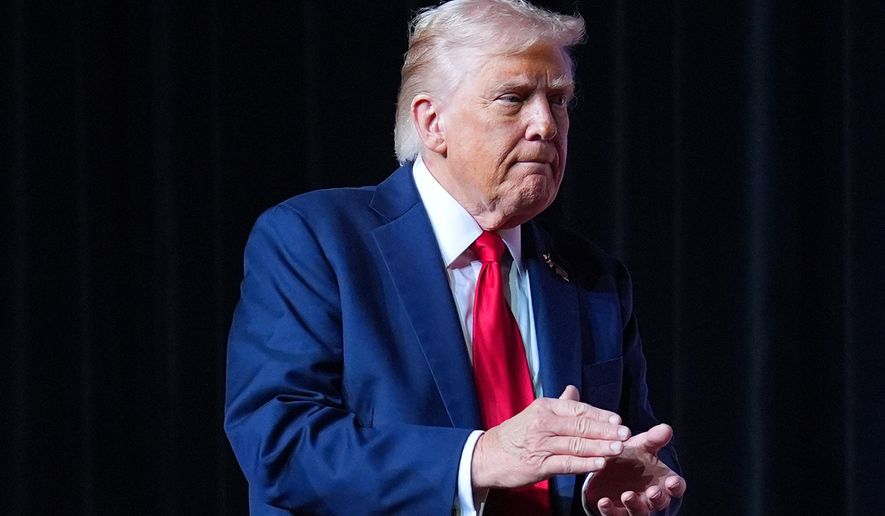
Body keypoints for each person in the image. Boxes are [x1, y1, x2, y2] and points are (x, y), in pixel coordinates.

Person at [224, 1, 686, 514]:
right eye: (513, 98)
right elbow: (279, 445)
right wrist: (478, 458)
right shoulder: (316, 241)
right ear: (432, 122)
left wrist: (619, 494)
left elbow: (637, 457)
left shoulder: (592, 276)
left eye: (558, 100)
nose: (546, 125)